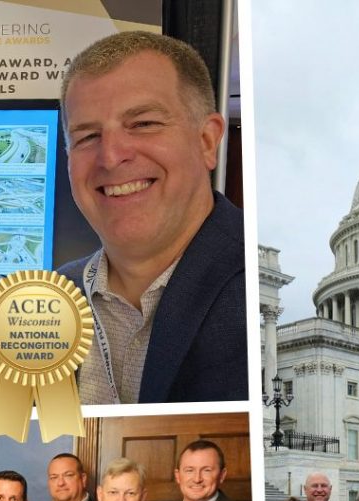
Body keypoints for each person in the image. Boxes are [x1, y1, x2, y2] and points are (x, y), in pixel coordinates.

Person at [58, 31, 245, 404]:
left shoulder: (246, 293)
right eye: (88, 136)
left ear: (207, 141)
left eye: (143, 123)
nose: (111, 157)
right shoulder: (49, 298)